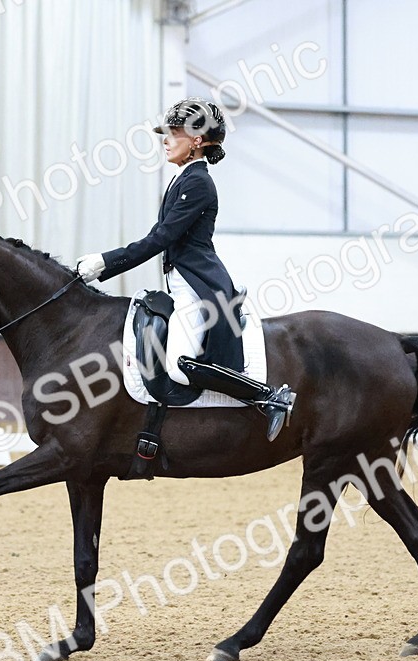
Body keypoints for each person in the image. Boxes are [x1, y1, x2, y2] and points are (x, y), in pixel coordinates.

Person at [75, 98, 296, 441]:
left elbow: (160, 238)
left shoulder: (197, 183)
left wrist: (105, 263)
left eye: (173, 133)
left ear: (196, 141)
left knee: (179, 365)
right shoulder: (182, 179)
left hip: (200, 287)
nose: (165, 139)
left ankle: (269, 398)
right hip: (184, 284)